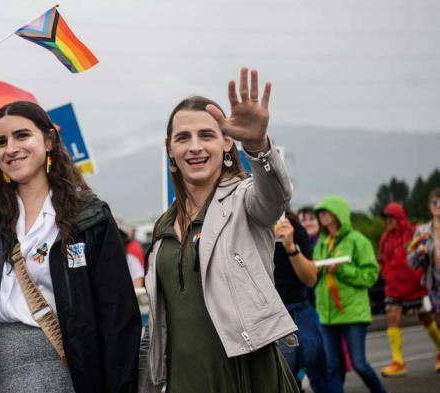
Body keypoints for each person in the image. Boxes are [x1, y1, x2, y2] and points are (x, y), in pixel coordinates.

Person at [0, 50, 141, 393]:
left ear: (48, 140)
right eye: (0, 142)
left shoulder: (88, 215)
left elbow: (118, 317)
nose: (11, 148)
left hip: (66, 368)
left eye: (22, 135)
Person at [139, 68, 299, 393]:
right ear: (170, 148)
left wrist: (258, 146)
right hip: (186, 381)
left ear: (227, 142)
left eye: (206, 135)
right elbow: (158, 325)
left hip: (248, 379)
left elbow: (275, 198)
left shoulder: (245, 202)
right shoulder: (163, 227)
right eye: (183, 138)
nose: (194, 147)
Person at [313, 195, 387, 393]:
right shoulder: (321, 243)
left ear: (338, 214)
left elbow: (371, 275)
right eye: (319, 212)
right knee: (333, 367)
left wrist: (342, 270)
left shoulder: (358, 241)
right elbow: (314, 276)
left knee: (359, 364)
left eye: (325, 211)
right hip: (327, 314)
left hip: (353, 312)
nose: (321, 215)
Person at [378, 202, 440, 377]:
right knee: (392, 316)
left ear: (399, 217)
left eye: (391, 217)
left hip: (415, 286)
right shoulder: (385, 238)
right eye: (386, 217)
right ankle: (398, 361)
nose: (388, 221)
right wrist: (386, 274)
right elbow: (381, 259)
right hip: (394, 288)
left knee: (426, 318)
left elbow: (425, 253)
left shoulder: (415, 232)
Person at [273, 212, 330, 392]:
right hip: (266, 314)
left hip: (296, 307)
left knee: (313, 359)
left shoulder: (292, 227)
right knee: (284, 377)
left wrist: (290, 246)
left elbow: (311, 278)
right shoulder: (244, 227)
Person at [408, 187, 440, 373]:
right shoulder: (422, 231)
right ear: (429, 206)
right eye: (434, 202)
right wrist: (419, 254)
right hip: (433, 283)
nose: (438, 206)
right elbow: (411, 261)